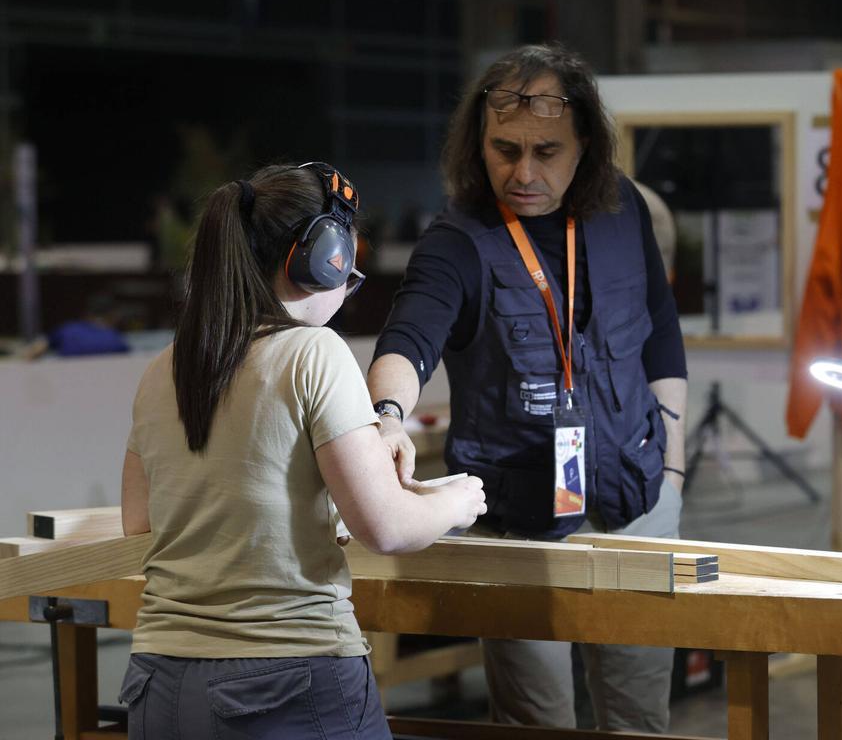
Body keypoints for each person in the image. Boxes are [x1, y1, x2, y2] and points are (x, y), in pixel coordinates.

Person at [369, 44, 688, 732]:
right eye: (504, 149)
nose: (524, 171)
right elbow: (408, 338)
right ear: (477, 143)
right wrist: (388, 415)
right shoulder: (459, 239)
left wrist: (675, 465)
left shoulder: (621, 208)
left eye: (547, 151)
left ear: (587, 147)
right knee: (536, 723)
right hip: (517, 523)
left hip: (637, 499)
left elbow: (661, 331)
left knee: (640, 719)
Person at [118, 163, 487, 739]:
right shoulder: (314, 353)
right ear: (323, 259)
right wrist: (457, 500)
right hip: (285, 677)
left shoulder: (163, 369)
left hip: (158, 682)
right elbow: (388, 530)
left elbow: (140, 524)